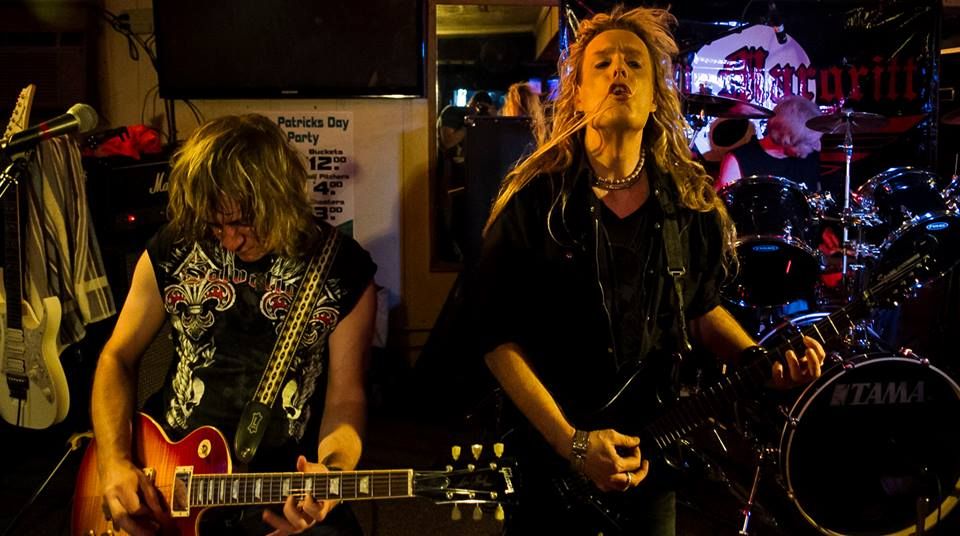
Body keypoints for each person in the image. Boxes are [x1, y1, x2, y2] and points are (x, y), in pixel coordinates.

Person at [458, 7, 826, 535]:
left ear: (655, 97)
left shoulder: (691, 204)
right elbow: (496, 339)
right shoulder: (534, 202)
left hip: (650, 461)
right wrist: (572, 443)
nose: (619, 70)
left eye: (634, 63)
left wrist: (759, 360)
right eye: (602, 63)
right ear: (577, 95)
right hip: (549, 462)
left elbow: (700, 308)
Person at [90, 114, 377, 536]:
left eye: (244, 222)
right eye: (215, 224)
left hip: (279, 487)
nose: (230, 239)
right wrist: (113, 462)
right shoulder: (173, 248)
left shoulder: (343, 269)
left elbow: (346, 399)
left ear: (280, 198)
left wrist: (332, 472)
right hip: (166, 478)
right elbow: (116, 357)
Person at [716, 95, 824, 191]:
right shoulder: (738, 160)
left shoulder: (810, 158)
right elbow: (723, 204)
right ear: (786, 138)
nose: (818, 147)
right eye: (808, 143)